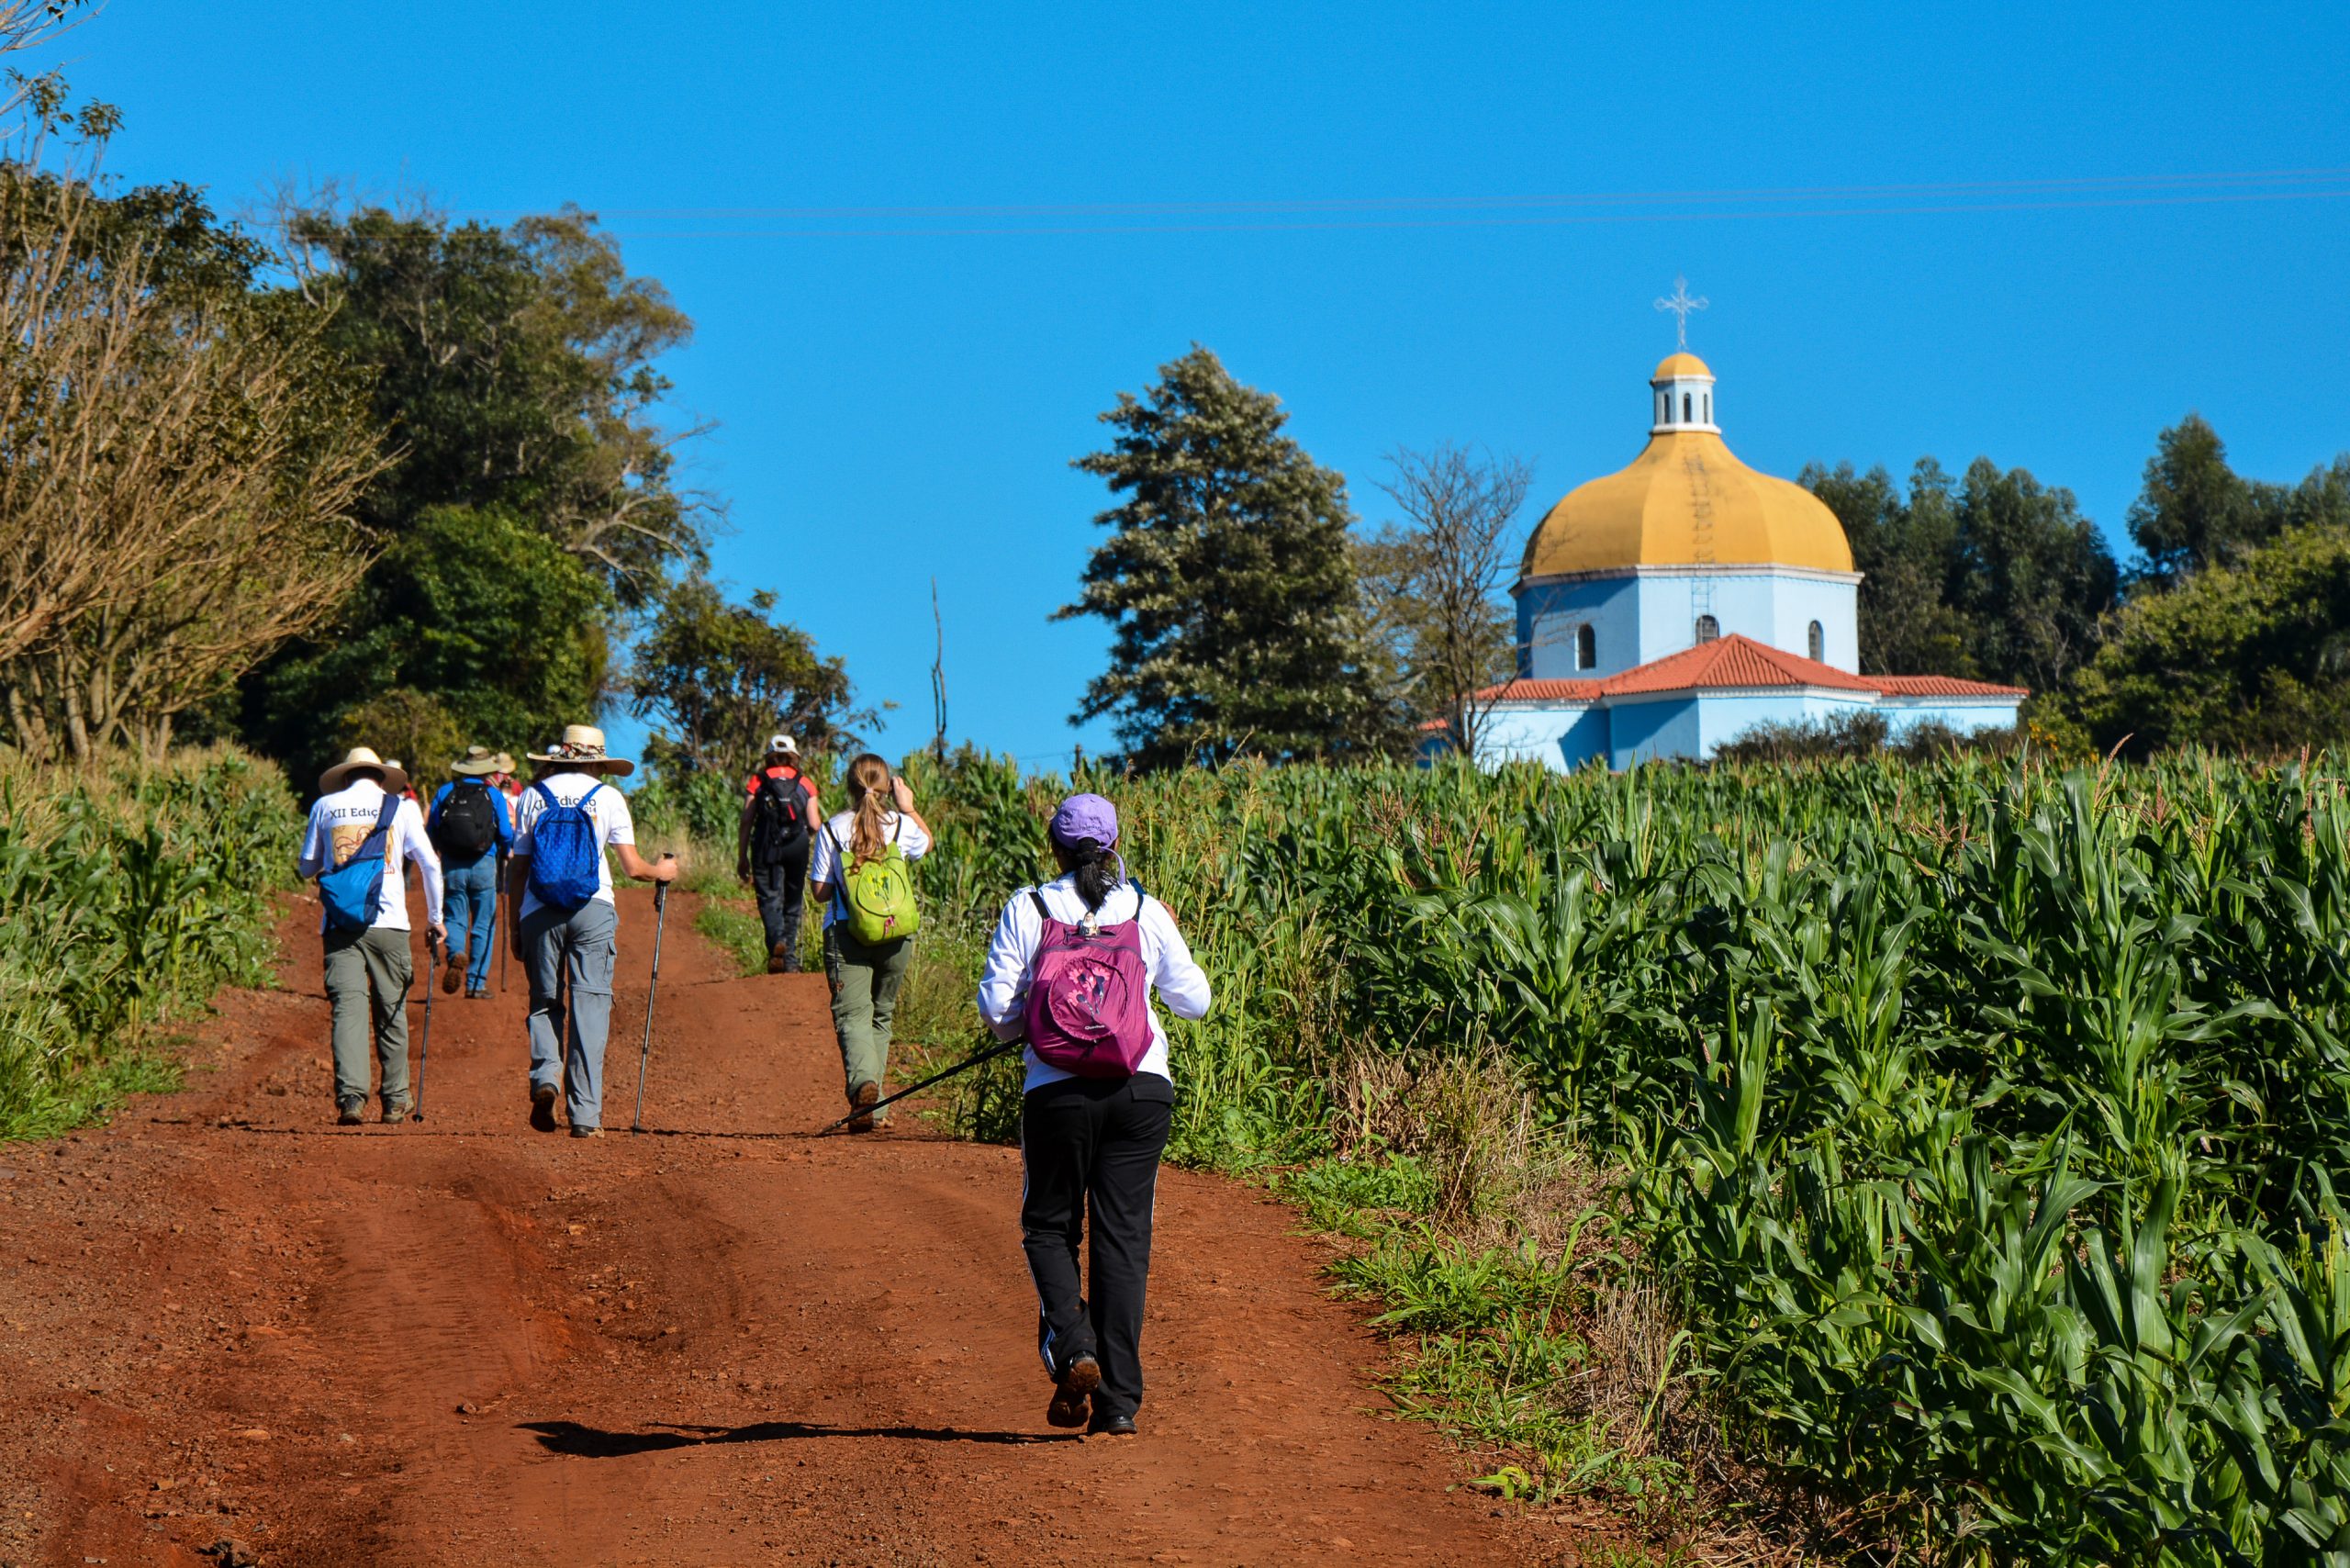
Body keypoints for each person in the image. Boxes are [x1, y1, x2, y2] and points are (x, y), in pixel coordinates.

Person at [976, 792, 1211, 1439]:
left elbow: (998, 1014)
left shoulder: (1030, 907)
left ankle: (1075, 1347)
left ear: (1054, 845)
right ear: (1114, 845)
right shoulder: (1144, 908)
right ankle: (1119, 1404)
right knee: (1124, 1243)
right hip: (1141, 1090)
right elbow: (1195, 1002)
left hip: (1057, 1093)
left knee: (1049, 1227)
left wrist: (1038, 1017)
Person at [505, 723, 677, 1138]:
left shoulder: (533, 795)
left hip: (538, 911)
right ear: (599, 761)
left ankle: (546, 1076)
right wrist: (664, 870)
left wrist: (515, 926)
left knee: (545, 1002)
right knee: (590, 1008)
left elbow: (518, 868)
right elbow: (633, 868)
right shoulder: (609, 797)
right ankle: (585, 1116)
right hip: (593, 908)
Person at [295, 747, 448, 1126]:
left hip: (340, 925)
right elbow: (429, 863)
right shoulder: (404, 808)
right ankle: (395, 1100)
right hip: (391, 924)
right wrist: (435, 918)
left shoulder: (325, 806)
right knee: (391, 1011)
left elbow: (305, 867)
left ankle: (351, 1099)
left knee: (348, 1012)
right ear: (381, 777)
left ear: (346, 776)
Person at [807, 754, 932, 1130]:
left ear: (849, 786)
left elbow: (819, 891)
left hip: (847, 932)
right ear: (889, 786)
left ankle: (864, 1086)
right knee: (882, 1014)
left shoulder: (832, 829)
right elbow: (927, 843)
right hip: (897, 932)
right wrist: (909, 808)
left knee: (852, 1015)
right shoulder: (900, 825)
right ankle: (872, 1111)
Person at [427, 745, 515, 999]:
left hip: (452, 864)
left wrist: (438, 851)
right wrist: (505, 850)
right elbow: (506, 833)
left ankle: (456, 953)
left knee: (455, 917)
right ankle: (475, 984)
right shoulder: (493, 795)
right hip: (484, 863)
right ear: (487, 769)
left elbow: (432, 828)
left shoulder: (445, 791)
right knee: (484, 924)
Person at [737, 734, 822, 973]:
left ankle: (777, 942)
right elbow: (815, 824)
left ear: (769, 756)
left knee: (769, 897)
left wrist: (742, 856)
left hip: (766, 844)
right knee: (793, 902)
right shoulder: (805, 783)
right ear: (794, 757)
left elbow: (746, 820)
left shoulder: (758, 780)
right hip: (797, 844)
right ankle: (791, 962)